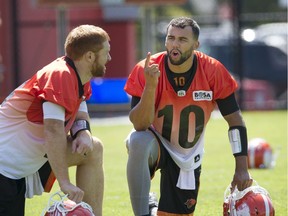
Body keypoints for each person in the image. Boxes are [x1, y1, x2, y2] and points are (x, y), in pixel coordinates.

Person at [124, 17, 253, 216]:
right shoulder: (147, 69)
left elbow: (235, 121)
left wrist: (242, 169)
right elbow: (140, 124)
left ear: (196, 45)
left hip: (188, 155)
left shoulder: (213, 70)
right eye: (171, 38)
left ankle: (151, 207)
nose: (175, 44)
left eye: (183, 40)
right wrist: (150, 86)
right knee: (137, 140)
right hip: (155, 144)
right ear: (165, 41)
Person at [0, 24, 111, 216]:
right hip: (5, 168)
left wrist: (83, 132)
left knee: (93, 148)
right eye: (106, 53)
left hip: (25, 162)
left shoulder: (78, 76)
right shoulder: (60, 75)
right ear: (90, 56)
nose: (109, 58)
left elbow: (80, 106)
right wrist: (65, 183)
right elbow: (53, 130)